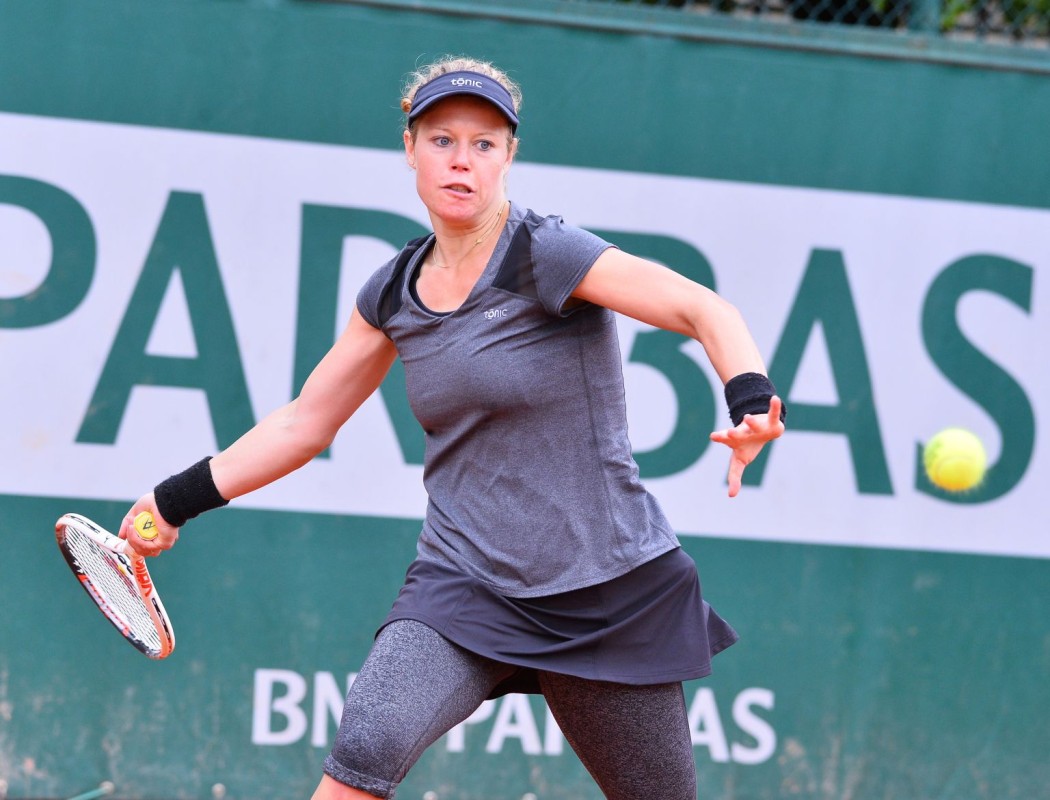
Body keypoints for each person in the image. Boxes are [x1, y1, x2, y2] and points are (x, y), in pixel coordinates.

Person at [120, 55, 786, 800]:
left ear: (509, 157)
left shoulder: (547, 253)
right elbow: (305, 423)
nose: (461, 161)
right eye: (442, 140)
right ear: (410, 148)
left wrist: (749, 397)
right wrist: (171, 500)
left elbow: (704, 310)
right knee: (366, 742)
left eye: (484, 143)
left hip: (602, 585)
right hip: (463, 583)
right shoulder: (393, 291)